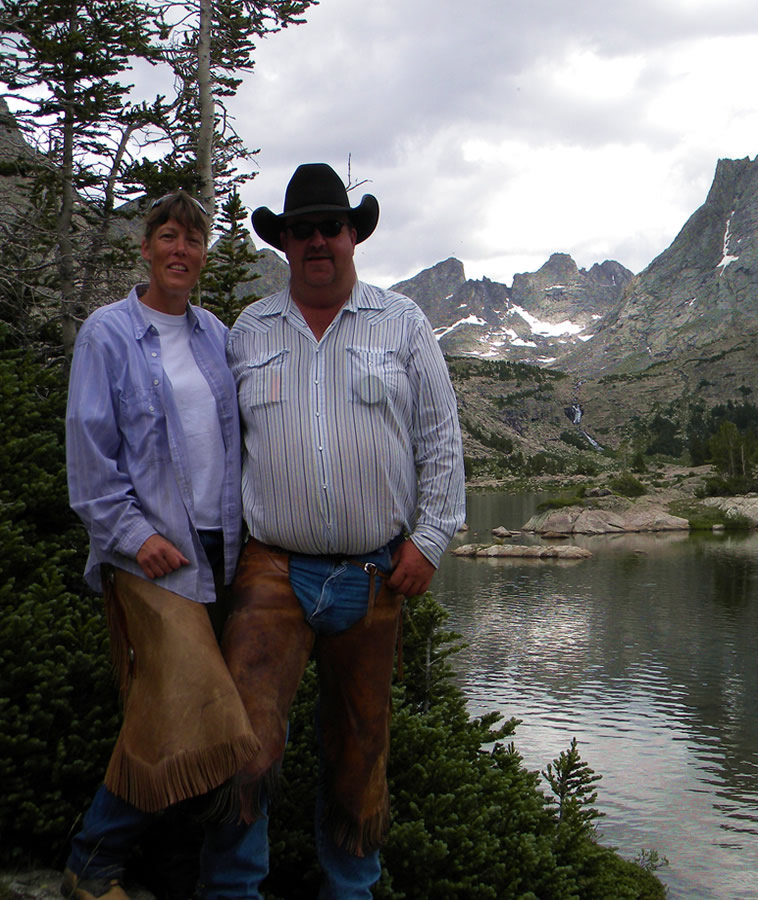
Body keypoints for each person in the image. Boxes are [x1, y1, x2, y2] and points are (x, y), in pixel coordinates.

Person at [222, 162, 466, 899]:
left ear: (354, 234)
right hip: (271, 567)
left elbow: (440, 437)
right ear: (285, 243)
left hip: (373, 570)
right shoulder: (248, 331)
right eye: (302, 230)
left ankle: (349, 889)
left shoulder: (404, 324)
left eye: (331, 226)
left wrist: (431, 538)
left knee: (361, 745)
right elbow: (219, 448)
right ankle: (232, 887)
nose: (318, 241)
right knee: (245, 738)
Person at [63, 191, 262, 900]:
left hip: (222, 549)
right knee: (181, 707)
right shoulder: (108, 334)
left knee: (185, 713)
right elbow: (89, 460)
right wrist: (133, 535)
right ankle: (91, 865)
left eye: (195, 240)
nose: (182, 250)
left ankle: (166, 868)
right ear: (145, 247)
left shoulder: (213, 333)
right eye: (169, 236)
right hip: (150, 558)